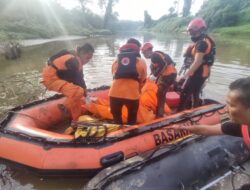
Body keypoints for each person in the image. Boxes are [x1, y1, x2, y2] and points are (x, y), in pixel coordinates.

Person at [177, 77, 250, 149]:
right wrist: (184, 128)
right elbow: (206, 130)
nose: (226, 109)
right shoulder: (240, 127)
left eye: (231, 105)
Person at [42, 43, 94, 121]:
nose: (88, 61)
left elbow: (80, 79)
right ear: (82, 53)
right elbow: (78, 80)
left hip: (57, 78)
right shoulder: (73, 60)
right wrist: (86, 94)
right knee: (78, 91)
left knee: (77, 97)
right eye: (87, 58)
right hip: (51, 79)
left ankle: (77, 120)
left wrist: (86, 94)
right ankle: (64, 107)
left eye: (90, 59)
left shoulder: (77, 61)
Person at [178, 18, 216, 111]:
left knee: (185, 92)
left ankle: (180, 114)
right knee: (196, 92)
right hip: (203, 71)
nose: (192, 35)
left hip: (199, 72)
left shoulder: (202, 43)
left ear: (201, 30)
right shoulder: (205, 39)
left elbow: (198, 61)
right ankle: (195, 109)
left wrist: (184, 76)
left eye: (194, 32)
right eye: (190, 32)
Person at [109, 39, 147, 125]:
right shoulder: (141, 62)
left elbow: (114, 76)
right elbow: (143, 80)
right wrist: (138, 90)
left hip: (114, 94)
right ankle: (130, 134)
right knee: (131, 120)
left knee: (116, 119)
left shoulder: (116, 61)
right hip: (132, 95)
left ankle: (118, 134)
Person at [150, 51, 177, 118]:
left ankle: (159, 115)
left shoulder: (154, 56)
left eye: (144, 53)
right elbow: (172, 63)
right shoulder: (162, 54)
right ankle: (160, 112)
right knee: (162, 94)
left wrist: (155, 75)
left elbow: (163, 64)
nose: (144, 55)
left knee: (160, 95)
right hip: (173, 75)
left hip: (167, 76)